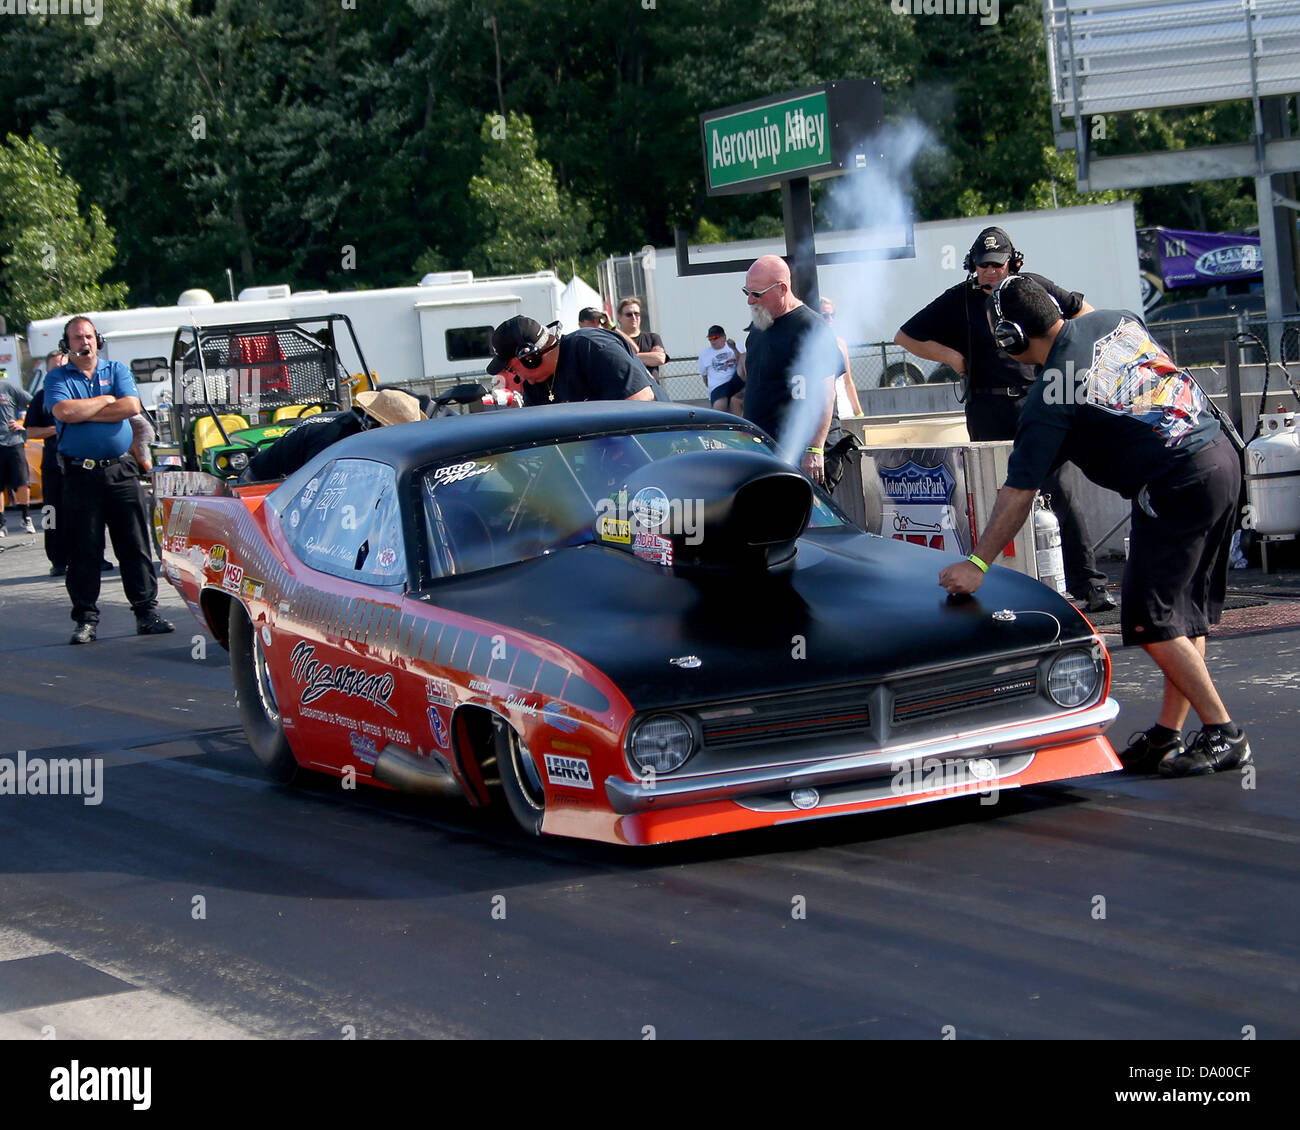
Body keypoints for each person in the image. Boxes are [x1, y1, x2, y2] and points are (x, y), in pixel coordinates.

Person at [938, 276, 1249, 779]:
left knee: (1150, 619)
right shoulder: (1118, 318)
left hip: (1178, 482)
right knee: (1181, 615)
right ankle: (1168, 734)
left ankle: (1225, 733)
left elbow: (1017, 495)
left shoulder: (1046, 400)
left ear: (1012, 340)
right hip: (1221, 456)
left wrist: (977, 564)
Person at [895, 226, 1114, 613]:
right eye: (983, 266)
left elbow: (1085, 312)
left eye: (997, 265)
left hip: (1038, 400)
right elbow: (905, 336)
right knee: (994, 498)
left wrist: (1065, 362)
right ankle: (997, 581)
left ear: (1012, 262)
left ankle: (1089, 584)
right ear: (973, 266)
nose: (990, 272)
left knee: (1060, 492)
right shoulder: (959, 299)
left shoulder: (1029, 288)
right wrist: (952, 358)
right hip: (988, 408)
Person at [45, 317, 173, 643]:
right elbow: (64, 413)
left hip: (121, 470)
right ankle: (86, 619)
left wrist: (87, 409)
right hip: (80, 474)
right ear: (67, 344)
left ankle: (146, 613)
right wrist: (105, 401)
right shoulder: (57, 377)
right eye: (77, 338)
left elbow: (130, 406)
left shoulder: (116, 370)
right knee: (85, 549)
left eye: (88, 336)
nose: (84, 342)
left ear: (97, 339)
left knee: (134, 545)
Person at [740, 255, 842, 487]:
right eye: (747, 293)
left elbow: (826, 395)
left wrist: (815, 449)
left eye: (757, 294)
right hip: (769, 451)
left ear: (782, 289)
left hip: (803, 454)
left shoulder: (811, 328)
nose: (750, 301)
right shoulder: (760, 326)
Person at [242, 388, 424, 481]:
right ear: (373, 424)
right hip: (258, 484)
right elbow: (313, 486)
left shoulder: (353, 433)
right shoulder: (332, 439)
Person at [486, 315, 667, 406]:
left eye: (510, 367)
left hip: (660, 443)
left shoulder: (592, 346)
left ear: (529, 357)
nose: (513, 374)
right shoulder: (534, 387)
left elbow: (641, 400)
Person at [0, 365, 34, 537]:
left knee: (22, 482)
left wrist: (23, 424)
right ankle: (1, 523)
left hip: (14, 442)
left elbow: (34, 402)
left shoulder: (8, 388)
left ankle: (26, 517)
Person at [820, 296, 862, 418]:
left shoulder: (841, 343)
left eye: (833, 315)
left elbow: (848, 381)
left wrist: (859, 413)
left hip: (845, 412)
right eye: (825, 315)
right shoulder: (809, 346)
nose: (830, 319)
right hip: (825, 416)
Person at [614, 297, 667, 379]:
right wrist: (649, 357)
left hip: (652, 389)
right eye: (629, 314)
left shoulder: (652, 338)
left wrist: (627, 358)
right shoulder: (615, 340)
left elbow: (660, 359)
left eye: (637, 313)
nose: (634, 317)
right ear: (619, 317)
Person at [699, 324, 743, 414]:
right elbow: (704, 376)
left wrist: (734, 349)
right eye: (710, 339)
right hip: (719, 386)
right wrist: (711, 387)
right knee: (720, 406)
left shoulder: (735, 346)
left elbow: (741, 363)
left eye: (715, 337)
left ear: (724, 337)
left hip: (735, 381)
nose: (712, 341)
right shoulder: (704, 353)